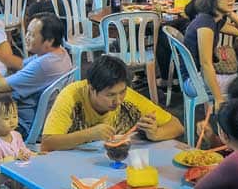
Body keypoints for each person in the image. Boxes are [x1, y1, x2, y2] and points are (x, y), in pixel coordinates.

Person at [41, 54, 183, 151]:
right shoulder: (71, 96)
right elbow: (47, 143)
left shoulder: (127, 97)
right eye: (110, 95)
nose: (118, 100)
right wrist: (89, 134)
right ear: (91, 88)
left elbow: (177, 126)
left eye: (122, 92)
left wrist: (156, 133)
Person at [0, 12, 74, 136]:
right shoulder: (60, 53)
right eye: (27, 32)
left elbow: (0, 85)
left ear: (49, 41)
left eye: (32, 35)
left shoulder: (44, 65)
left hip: (20, 123)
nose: (26, 37)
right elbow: (20, 64)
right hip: (26, 114)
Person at [183, 0, 238, 106]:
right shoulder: (206, 24)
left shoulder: (216, 20)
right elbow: (206, 64)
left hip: (200, 76)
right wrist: (218, 98)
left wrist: (231, 13)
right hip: (194, 81)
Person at [0, 94, 34, 170]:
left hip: (19, 170)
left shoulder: (16, 135)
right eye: (6, 118)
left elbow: (22, 149)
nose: (12, 121)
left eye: (15, 116)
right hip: (2, 178)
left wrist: (28, 154)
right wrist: (13, 158)